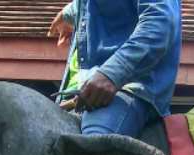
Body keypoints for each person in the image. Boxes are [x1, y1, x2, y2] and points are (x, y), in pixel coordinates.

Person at [48, 0, 181, 137]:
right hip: (78, 94)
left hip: (129, 89)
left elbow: (159, 25)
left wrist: (111, 75)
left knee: (91, 144)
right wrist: (68, 13)